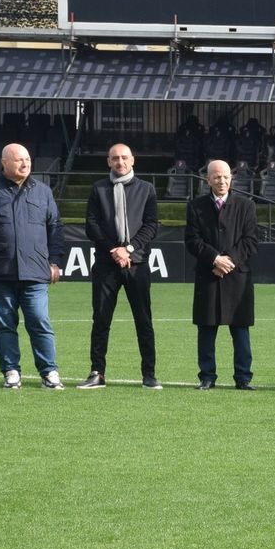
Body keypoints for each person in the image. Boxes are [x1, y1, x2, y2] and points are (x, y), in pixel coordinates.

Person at [0, 143, 67, 389]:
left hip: (35, 273)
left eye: (28, 159)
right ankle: (11, 371)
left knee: (40, 322)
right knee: (3, 325)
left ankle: (49, 372)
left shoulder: (43, 192)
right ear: (4, 162)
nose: (25, 164)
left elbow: (55, 228)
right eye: (19, 160)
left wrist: (55, 261)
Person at [80, 143, 161, 389]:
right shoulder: (99, 189)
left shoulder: (147, 189)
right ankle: (97, 372)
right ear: (108, 162)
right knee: (101, 319)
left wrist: (128, 249)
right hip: (106, 264)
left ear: (133, 160)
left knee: (143, 320)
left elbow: (151, 226)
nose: (120, 162)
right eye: (115, 158)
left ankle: (149, 374)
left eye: (124, 158)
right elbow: (91, 225)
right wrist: (113, 250)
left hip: (136, 264)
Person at [184, 159, 258, 390]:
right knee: (206, 329)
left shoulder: (246, 205)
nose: (222, 180)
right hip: (208, 275)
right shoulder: (196, 206)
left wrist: (229, 261)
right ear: (208, 179)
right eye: (217, 177)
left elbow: (251, 241)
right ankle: (207, 377)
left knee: (240, 330)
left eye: (226, 176)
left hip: (238, 277)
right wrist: (214, 259)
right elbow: (192, 240)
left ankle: (243, 378)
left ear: (231, 178)